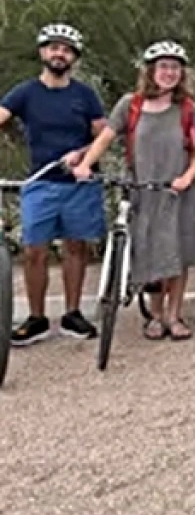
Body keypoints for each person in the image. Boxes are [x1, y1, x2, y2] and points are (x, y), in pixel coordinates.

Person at [73, 41, 195, 341]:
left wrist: (187, 176)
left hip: (176, 190)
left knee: (177, 251)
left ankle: (174, 315)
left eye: (175, 67)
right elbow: (105, 138)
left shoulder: (189, 109)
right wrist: (85, 165)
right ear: (151, 71)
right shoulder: (130, 106)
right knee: (148, 251)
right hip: (142, 190)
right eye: (163, 66)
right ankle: (155, 314)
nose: (169, 73)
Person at [0, 24, 105, 345]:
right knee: (35, 251)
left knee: (76, 247)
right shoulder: (25, 92)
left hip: (79, 183)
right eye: (54, 47)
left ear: (74, 57)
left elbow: (103, 135)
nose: (59, 53)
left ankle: (73, 314)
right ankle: (36, 318)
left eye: (66, 49)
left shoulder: (84, 95)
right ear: (42, 52)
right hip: (40, 182)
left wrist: (82, 155)